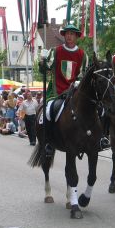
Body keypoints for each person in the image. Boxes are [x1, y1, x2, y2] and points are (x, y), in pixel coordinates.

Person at [40, 24, 91, 155]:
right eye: (67, 33)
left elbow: (83, 74)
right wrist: (42, 62)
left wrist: (78, 82)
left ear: (76, 37)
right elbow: (46, 69)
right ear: (64, 35)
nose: (69, 36)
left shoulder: (82, 54)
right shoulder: (55, 51)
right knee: (49, 111)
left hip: (74, 91)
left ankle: (95, 138)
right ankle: (48, 141)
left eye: (72, 34)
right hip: (57, 91)